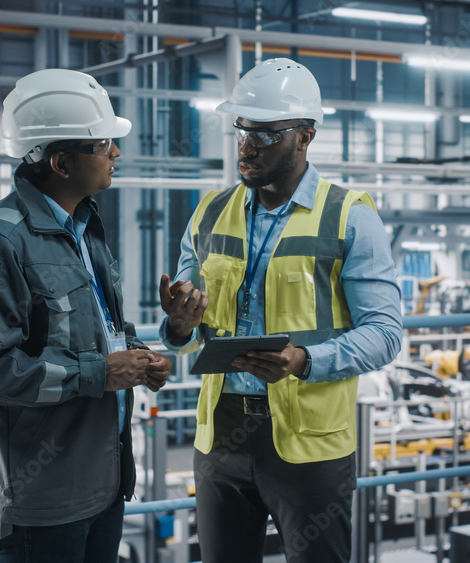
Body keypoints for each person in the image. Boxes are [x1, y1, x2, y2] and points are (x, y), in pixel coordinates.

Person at [158, 58, 402, 563]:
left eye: (267, 135)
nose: (248, 147)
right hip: (220, 435)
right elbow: (182, 332)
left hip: (308, 442)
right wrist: (179, 325)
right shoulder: (208, 212)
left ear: (305, 136)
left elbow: (384, 332)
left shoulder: (349, 216)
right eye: (242, 130)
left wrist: (305, 361)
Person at [0, 68, 171, 563]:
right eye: (102, 145)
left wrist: (138, 357)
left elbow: (95, 332)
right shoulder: (1, 239)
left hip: (106, 481)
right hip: (44, 500)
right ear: (61, 161)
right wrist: (98, 373)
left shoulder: (86, 226)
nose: (116, 153)